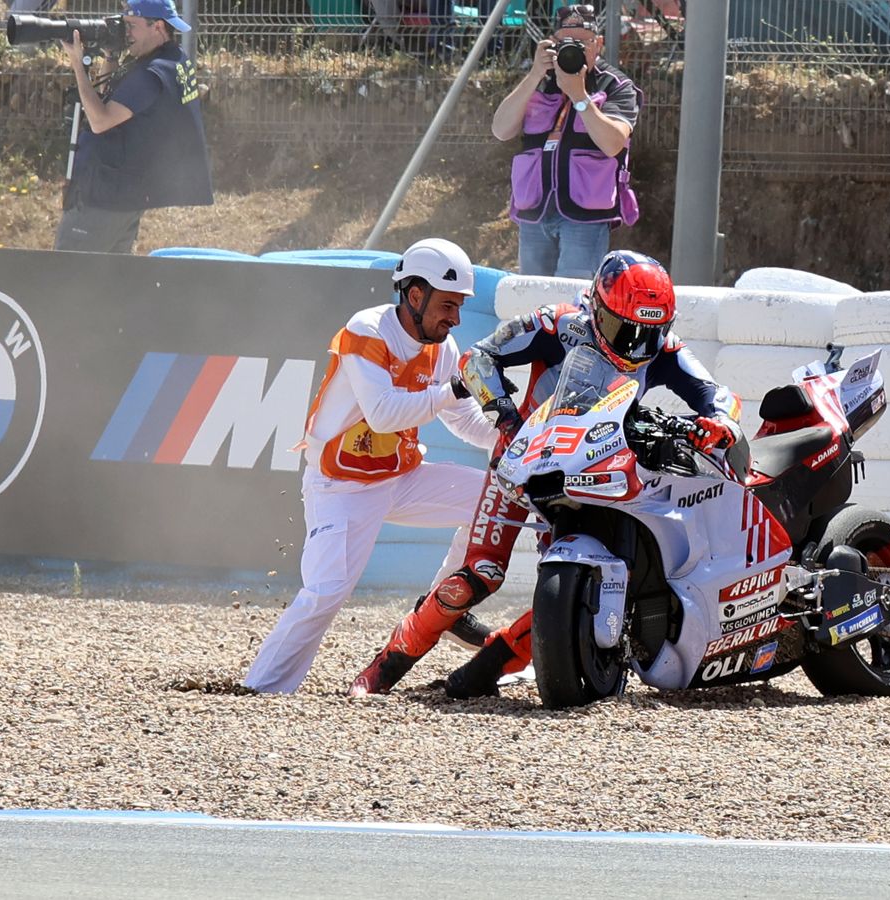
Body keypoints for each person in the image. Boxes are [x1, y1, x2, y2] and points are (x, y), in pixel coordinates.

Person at [349, 249, 742, 699]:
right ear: (597, 307)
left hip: (599, 469)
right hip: (520, 464)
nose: (635, 345)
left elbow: (716, 394)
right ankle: (383, 669)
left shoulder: (664, 348)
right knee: (477, 575)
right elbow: (477, 359)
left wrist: (723, 423)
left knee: (579, 588)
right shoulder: (556, 322)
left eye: (648, 334)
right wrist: (504, 416)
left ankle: (485, 668)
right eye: (623, 329)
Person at [243, 238, 503, 694]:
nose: (455, 318)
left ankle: (443, 605)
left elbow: (463, 420)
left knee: (496, 501)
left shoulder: (441, 347)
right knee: (325, 593)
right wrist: (452, 391)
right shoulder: (367, 329)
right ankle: (259, 691)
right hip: (340, 487)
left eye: (459, 307)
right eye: (447, 305)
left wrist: (514, 443)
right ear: (415, 295)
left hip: (402, 477)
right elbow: (384, 413)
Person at [491, 3, 642, 279]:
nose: (573, 48)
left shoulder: (616, 86)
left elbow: (613, 143)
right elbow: (500, 129)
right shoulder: (540, 80)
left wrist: (579, 96)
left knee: (573, 299)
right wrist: (535, 73)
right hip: (535, 211)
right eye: (564, 42)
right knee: (532, 300)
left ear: (598, 44)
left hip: (584, 216)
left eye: (582, 42)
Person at [56, 0, 213, 253]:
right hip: (126, 196)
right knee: (111, 283)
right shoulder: (172, 59)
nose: (124, 33)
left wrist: (77, 64)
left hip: (104, 200)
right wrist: (110, 55)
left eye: (131, 26)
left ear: (158, 27)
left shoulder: (151, 74)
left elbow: (100, 120)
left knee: (68, 278)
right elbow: (109, 94)